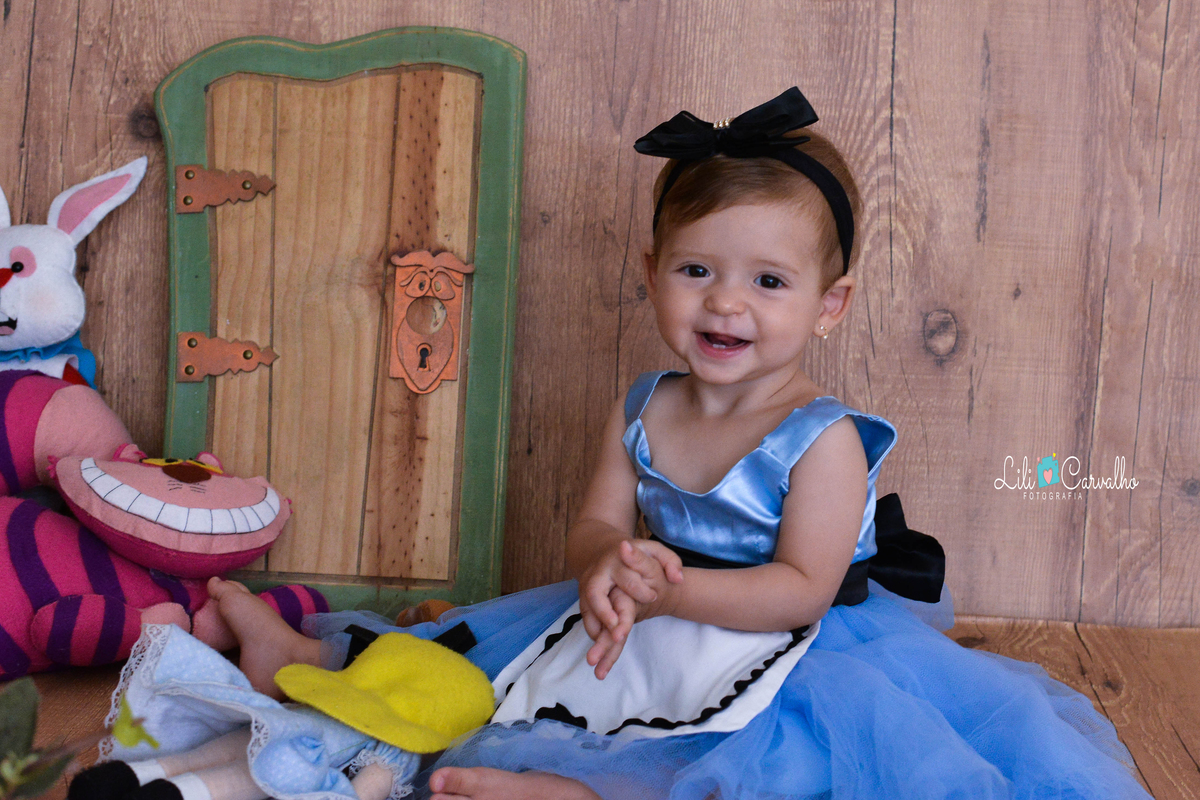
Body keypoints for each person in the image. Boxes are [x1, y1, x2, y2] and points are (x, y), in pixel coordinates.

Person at [89, 88, 1150, 800]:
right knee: (469, 670)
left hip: (787, 649)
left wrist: (669, 588)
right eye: (698, 271)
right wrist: (605, 563)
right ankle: (293, 654)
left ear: (832, 305)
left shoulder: (819, 439)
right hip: (644, 608)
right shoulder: (645, 402)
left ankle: (554, 788)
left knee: (745, 764)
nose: (727, 302)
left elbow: (798, 590)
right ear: (651, 270)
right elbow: (597, 516)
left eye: (769, 282)